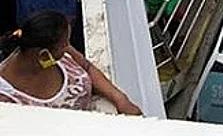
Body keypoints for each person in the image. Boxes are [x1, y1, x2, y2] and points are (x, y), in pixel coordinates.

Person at [0, 10, 141, 113]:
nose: (68, 47)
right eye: (64, 44)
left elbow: (87, 67)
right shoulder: (7, 99)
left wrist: (121, 100)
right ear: (43, 55)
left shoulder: (57, 49)